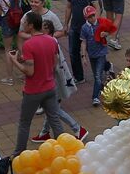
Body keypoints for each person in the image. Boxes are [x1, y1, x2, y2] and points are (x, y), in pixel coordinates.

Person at [10, 11, 85, 152]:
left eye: (25, 23)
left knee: (25, 123)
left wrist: (15, 61)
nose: (23, 25)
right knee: (55, 119)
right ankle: (63, 149)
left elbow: (29, 71)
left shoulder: (29, 44)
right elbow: (54, 62)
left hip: (33, 91)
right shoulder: (52, 41)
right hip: (50, 87)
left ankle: (19, 152)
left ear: (31, 25)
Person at [60, 0, 101, 89]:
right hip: (74, 28)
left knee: (93, 53)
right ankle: (79, 77)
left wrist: (94, 25)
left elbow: (97, 8)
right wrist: (66, 24)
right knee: (73, 53)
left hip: (88, 29)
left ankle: (105, 67)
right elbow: (68, 7)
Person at [81, 4, 115, 104]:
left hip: (101, 52)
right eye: (89, 16)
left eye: (93, 15)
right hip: (91, 53)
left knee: (97, 75)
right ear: (85, 18)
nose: (92, 18)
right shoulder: (84, 28)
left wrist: (106, 34)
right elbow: (83, 42)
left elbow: (111, 29)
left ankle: (95, 97)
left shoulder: (101, 23)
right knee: (97, 71)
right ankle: (108, 66)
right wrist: (83, 56)